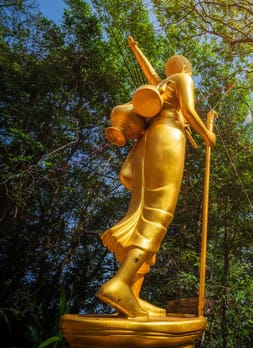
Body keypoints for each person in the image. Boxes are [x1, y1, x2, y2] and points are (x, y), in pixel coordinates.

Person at [98, 37, 216, 318]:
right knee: (158, 212)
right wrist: (207, 134)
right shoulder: (182, 78)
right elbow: (187, 110)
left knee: (144, 209)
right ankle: (120, 284)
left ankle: (131, 299)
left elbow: (149, 73)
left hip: (151, 140)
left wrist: (137, 49)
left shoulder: (162, 84)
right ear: (187, 69)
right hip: (169, 136)